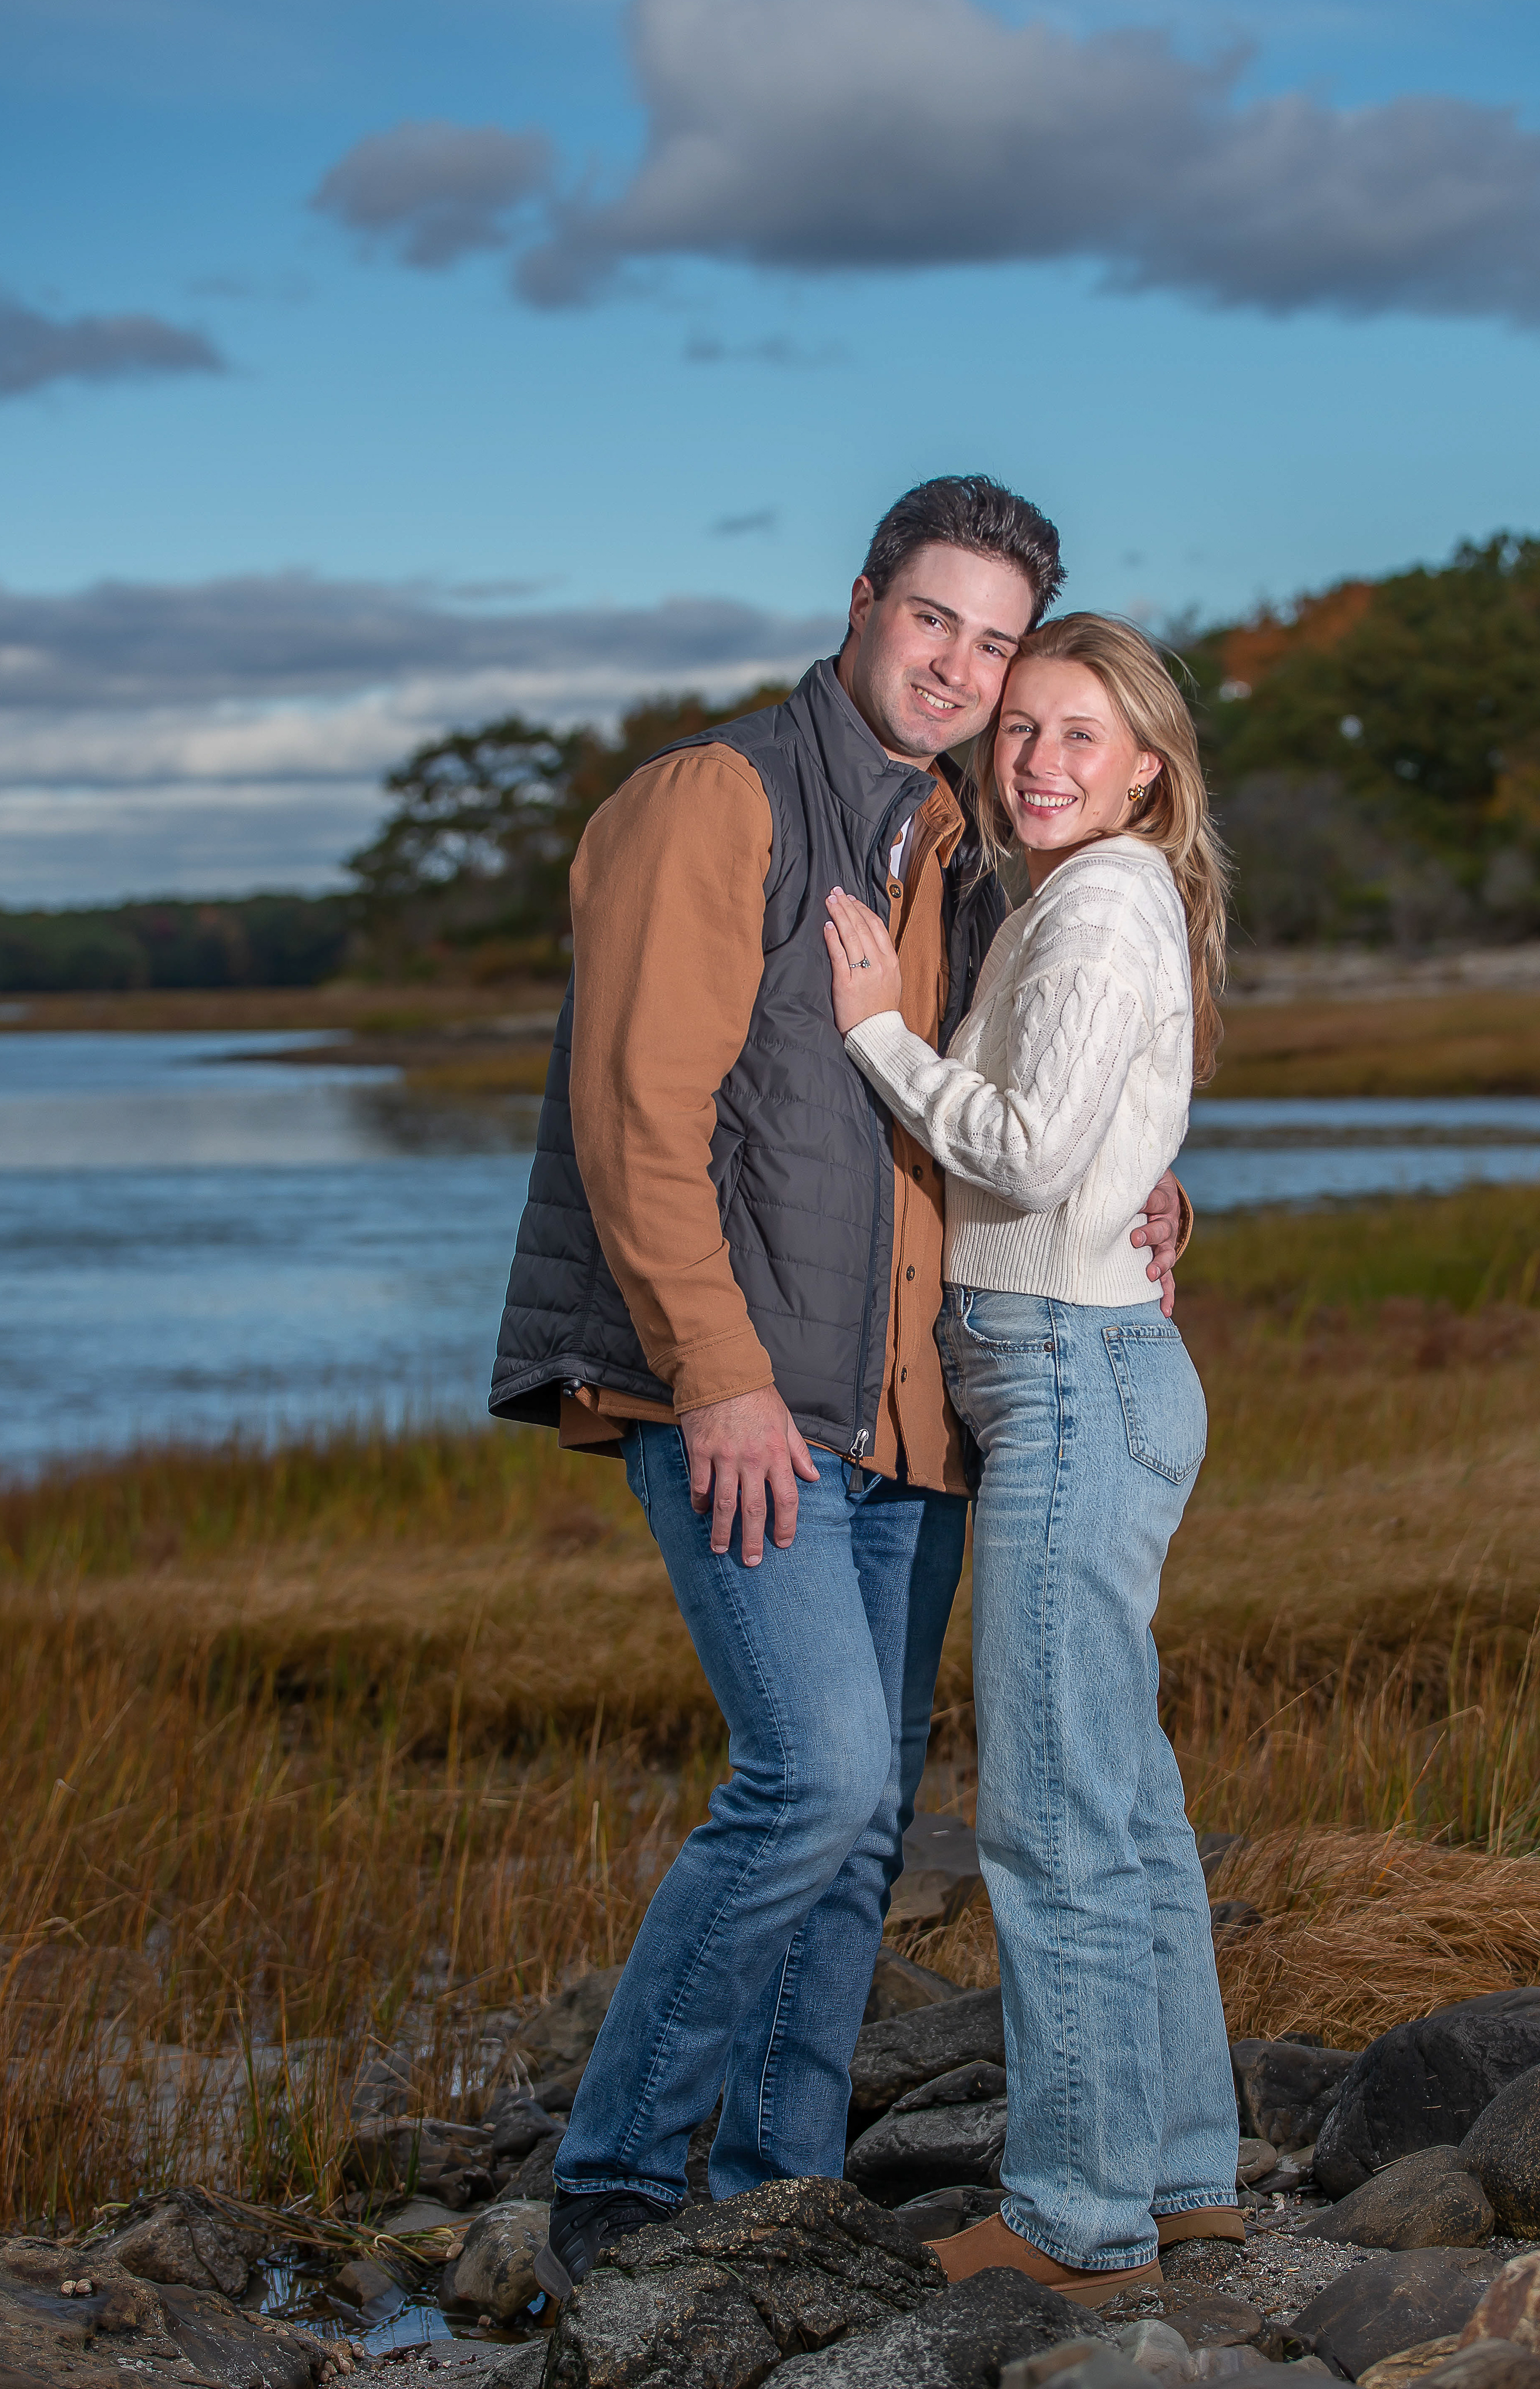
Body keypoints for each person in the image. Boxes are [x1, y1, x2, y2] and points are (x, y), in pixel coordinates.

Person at [488, 482, 1187, 2301]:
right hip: (755, 1403)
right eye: (934, 621)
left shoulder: (959, 846)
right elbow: (639, 1118)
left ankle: (784, 2178)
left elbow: (996, 1105)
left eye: (995, 643)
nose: (961, 668)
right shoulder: (716, 801)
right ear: (866, 601)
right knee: (813, 1776)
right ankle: (623, 2180)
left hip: (912, 1414)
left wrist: (1137, 1184)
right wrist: (714, 1381)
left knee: (873, 1815)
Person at [822, 612, 1238, 2304]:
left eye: (1082, 734)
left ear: (1149, 765)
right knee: (1124, 1803)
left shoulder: (1103, 905)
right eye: (1022, 732)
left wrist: (872, 1027)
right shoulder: (1087, 904)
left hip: (1069, 1378)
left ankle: (1080, 2222)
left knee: (1057, 1821)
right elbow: (1103, 1151)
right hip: (1088, 1362)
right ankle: (1187, 2169)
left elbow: (1025, 1141)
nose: (1041, 761)